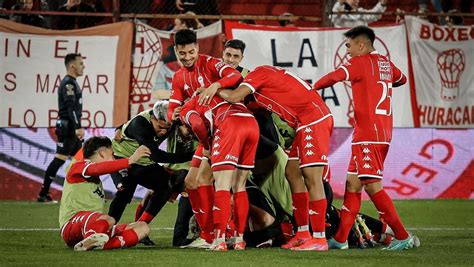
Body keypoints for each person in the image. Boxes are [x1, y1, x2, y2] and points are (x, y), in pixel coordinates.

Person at [313, 26, 418, 251]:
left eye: (349, 46)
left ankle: (403, 236)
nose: (348, 52)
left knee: (371, 186)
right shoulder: (385, 64)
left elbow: (334, 77)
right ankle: (340, 239)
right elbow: (402, 79)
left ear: (361, 45)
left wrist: (312, 88)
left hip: (369, 134)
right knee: (353, 184)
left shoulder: (358, 63)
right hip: (378, 133)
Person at [215, 66, 333, 251]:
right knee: (292, 172)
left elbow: (233, 97)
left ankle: (319, 239)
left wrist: (214, 88)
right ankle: (302, 233)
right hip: (304, 121)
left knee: (312, 178)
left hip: (313, 119)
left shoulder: (257, 75)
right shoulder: (265, 79)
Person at [167, 29, 243, 248]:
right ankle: (207, 233)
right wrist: (179, 116)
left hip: (223, 132)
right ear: (176, 51)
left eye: (191, 52)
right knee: (191, 181)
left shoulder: (210, 64)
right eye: (182, 53)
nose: (188, 57)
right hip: (205, 137)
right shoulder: (179, 76)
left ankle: (221, 232)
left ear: (198, 48)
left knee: (206, 181)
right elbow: (173, 109)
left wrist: (215, 84)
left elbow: (235, 76)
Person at [179, 92, 260, 251]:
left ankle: (219, 239)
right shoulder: (213, 95)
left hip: (229, 125)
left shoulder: (188, 108)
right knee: (239, 186)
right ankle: (238, 240)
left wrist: (207, 147)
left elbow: (197, 125)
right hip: (251, 124)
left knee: (222, 185)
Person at [108, 103, 194, 229]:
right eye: (160, 127)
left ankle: (140, 226)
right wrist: (191, 155)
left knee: (166, 186)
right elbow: (157, 156)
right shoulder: (140, 125)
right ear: (152, 118)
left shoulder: (170, 119)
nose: (163, 132)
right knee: (125, 192)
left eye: (168, 127)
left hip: (144, 161)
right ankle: (106, 229)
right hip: (123, 158)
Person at [59, 136, 151, 251]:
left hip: (93, 226)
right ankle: (92, 239)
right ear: (102, 153)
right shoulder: (78, 166)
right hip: (71, 226)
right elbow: (96, 168)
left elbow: (98, 170)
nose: (114, 157)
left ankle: (97, 244)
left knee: (142, 227)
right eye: (112, 153)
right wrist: (129, 160)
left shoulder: (95, 179)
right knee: (109, 220)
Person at [38, 53, 85, 203]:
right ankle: (43, 194)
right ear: (72, 66)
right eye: (81, 63)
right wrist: (77, 127)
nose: (83, 67)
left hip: (70, 127)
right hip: (68, 128)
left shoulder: (72, 82)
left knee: (81, 160)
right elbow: (70, 107)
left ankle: (80, 195)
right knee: (60, 159)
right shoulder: (68, 83)